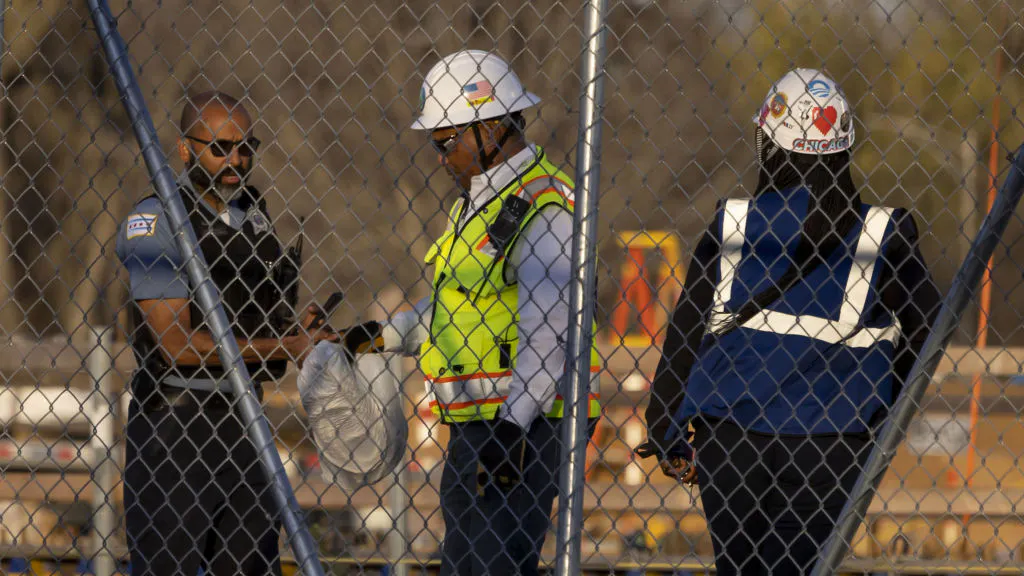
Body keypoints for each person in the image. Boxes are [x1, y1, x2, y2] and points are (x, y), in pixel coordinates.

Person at [635, 69, 942, 575]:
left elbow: (686, 330)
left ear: (769, 145)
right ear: (843, 149)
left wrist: (665, 427)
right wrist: (883, 405)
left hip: (730, 438)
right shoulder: (882, 233)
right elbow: (929, 326)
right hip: (832, 438)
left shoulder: (733, 223)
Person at [339, 50, 601, 576]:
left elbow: (550, 333)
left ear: (491, 128)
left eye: (445, 142)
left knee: (489, 562)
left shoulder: (544, 205)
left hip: (527, 423)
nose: (440, 158)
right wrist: (382, 335)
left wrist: (512, 430)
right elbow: (455, 308)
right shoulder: (476, 204)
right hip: (480, 421)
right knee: (467, 560)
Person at [116, 91, 334, 576]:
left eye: (246, 146)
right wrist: (286, 346)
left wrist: (298, 330)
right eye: (220, 147)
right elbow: (176, 345)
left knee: (251, 563)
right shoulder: (156, 220)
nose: (236, 160)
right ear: (185, 149)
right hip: (176, 424)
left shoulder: (251, 214)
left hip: (245, 417)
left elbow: (252, 318)